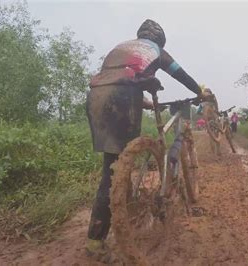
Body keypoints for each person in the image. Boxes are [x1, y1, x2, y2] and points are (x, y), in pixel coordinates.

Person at [85, 19, 208, 262]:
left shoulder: (120, 48)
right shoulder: (157, 51)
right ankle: (96, 241)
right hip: (124, 95)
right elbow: (179, 73)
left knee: (112, 168)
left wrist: (145, 102)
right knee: (113, 176)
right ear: (159, 38)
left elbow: (115, 81)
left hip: (96, 99)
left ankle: (109, 224)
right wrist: (199, 92)